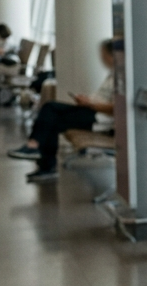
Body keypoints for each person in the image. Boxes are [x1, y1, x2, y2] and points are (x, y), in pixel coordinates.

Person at [7, 39, 115, 183]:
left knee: (52, 121)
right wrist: (87, 100)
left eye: (103, 54)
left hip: (98, 117)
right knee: (49, 106)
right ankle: (35, 147)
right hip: (91, 109)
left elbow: (116, 107)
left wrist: (90, 103)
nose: (101, 58)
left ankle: (44, 161)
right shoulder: (113, 74)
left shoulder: (123, 77)